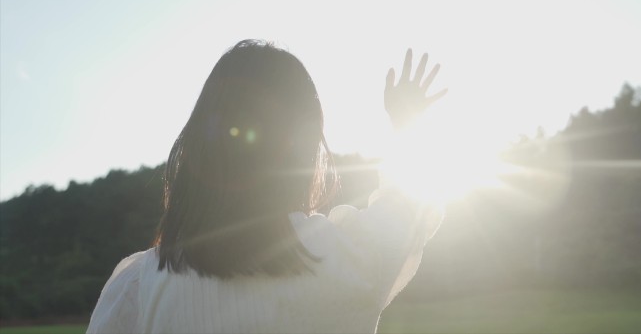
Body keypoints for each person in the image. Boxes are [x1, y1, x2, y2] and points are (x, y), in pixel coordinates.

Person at [86, 40, 447, 334]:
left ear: (198, 147)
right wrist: (406, 127)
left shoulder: (139, 289)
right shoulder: (350, 258)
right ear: (304, 150)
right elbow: (407, 207)